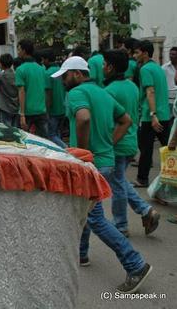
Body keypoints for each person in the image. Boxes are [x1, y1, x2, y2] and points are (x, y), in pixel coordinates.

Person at [52, 56, 152, 294]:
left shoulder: (76, 93)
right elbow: (126, 120)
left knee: (95, 217)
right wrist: (108, 143)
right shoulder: (103, 93)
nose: (63, 82)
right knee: (84, 210)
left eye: (65, 76)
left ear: (76, 74)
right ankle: (82, 254)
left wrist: (84, 154)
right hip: (105, 161)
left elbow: (84, 118)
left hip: (90, 164)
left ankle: (135, 264)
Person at [103, 50, 160, 236]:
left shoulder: (109, 91)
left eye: (104, 64)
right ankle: (146, 211)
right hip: (130, 140)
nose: (102, 67)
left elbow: (110, 120)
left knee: (117, 184)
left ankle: (121, 224)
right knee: (119, 180)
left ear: (111, 67)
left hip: (117, 141)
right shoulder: (132, 86)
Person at [134, 40, 171, 188]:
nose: (135, 55)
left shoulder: (145, 69)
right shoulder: (158, 68)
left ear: (145, 53)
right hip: (164, 114)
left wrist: (153, 114)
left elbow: (150, 91)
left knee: (146, 149)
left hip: (152, 116)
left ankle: (142, 179)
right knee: (168, 149)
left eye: (137, 52)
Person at [15, 39, 49, 137]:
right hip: (42, 110)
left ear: (24, 51)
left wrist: (22, 114)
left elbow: (21, 92)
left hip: (27, 112)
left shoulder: (20, 69)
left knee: (24, 141)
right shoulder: (42, 69)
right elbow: (44, 90)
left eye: (19, 49)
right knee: (45, 142)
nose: (18, 52)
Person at [42, 48, 66, 148]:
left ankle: (67, 149)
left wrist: (47, 110)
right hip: (63, 107)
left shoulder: (48, 73)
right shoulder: (61, 71)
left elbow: (48, 94)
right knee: (58, 133)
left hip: (53, 109)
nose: (43, 62)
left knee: (51, 135)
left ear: (47, 60)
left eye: (43, 60)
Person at [162, 47, 177, 118]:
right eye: (170, 54)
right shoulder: (164, 68)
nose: (171, 56)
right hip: (169, 100)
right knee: (169, 120)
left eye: (173, 54)